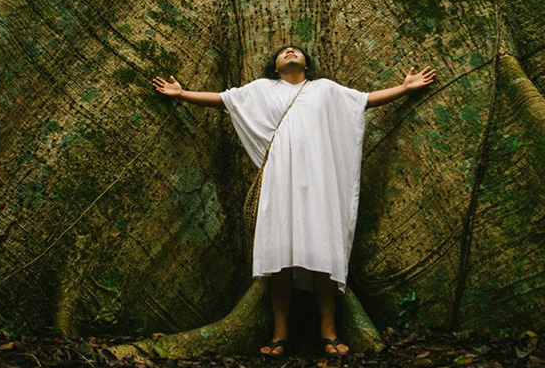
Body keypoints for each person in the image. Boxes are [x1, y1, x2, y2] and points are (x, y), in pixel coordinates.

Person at [151, 45, 436, 357]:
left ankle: (328, 331)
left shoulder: (324, 90)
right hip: (279, 181)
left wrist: (404, 88)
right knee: (279, 258)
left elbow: (363, 101)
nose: (290, 50)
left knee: (323, 255)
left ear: (307, 66)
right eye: (284, 51)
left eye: (297, 50)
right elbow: (223, 100)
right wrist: (182, 94)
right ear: (275, 67)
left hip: (319, 182)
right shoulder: (261, 90)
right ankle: (280, 333)